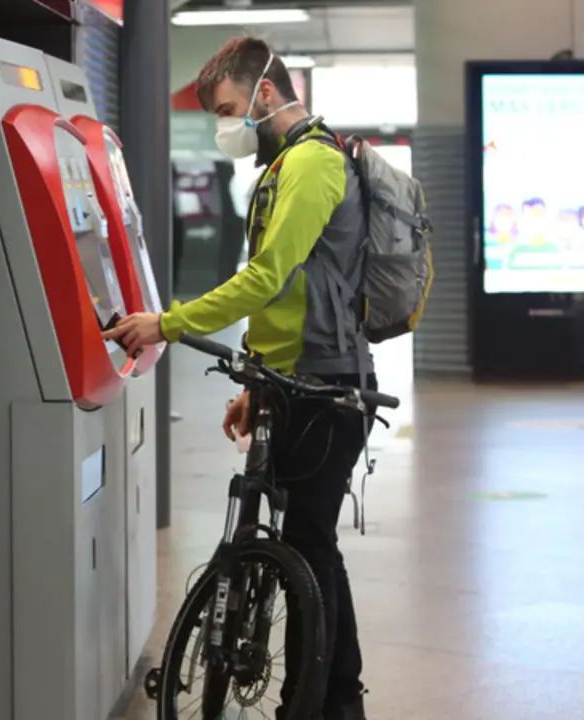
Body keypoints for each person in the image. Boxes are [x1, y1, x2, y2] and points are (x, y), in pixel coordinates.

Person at [105, 36, 374, 720]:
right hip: (292, 378)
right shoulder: (280, 169)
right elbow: (287, 298)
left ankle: (313, 704)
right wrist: (257, 378)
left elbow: (264, 277)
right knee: (309, 546)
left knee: (309, 548)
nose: (226, 125)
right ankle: (335, 700)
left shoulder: (314, 164)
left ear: (264, 93)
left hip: (327, 383)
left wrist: (164, 322)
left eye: (228, 109)